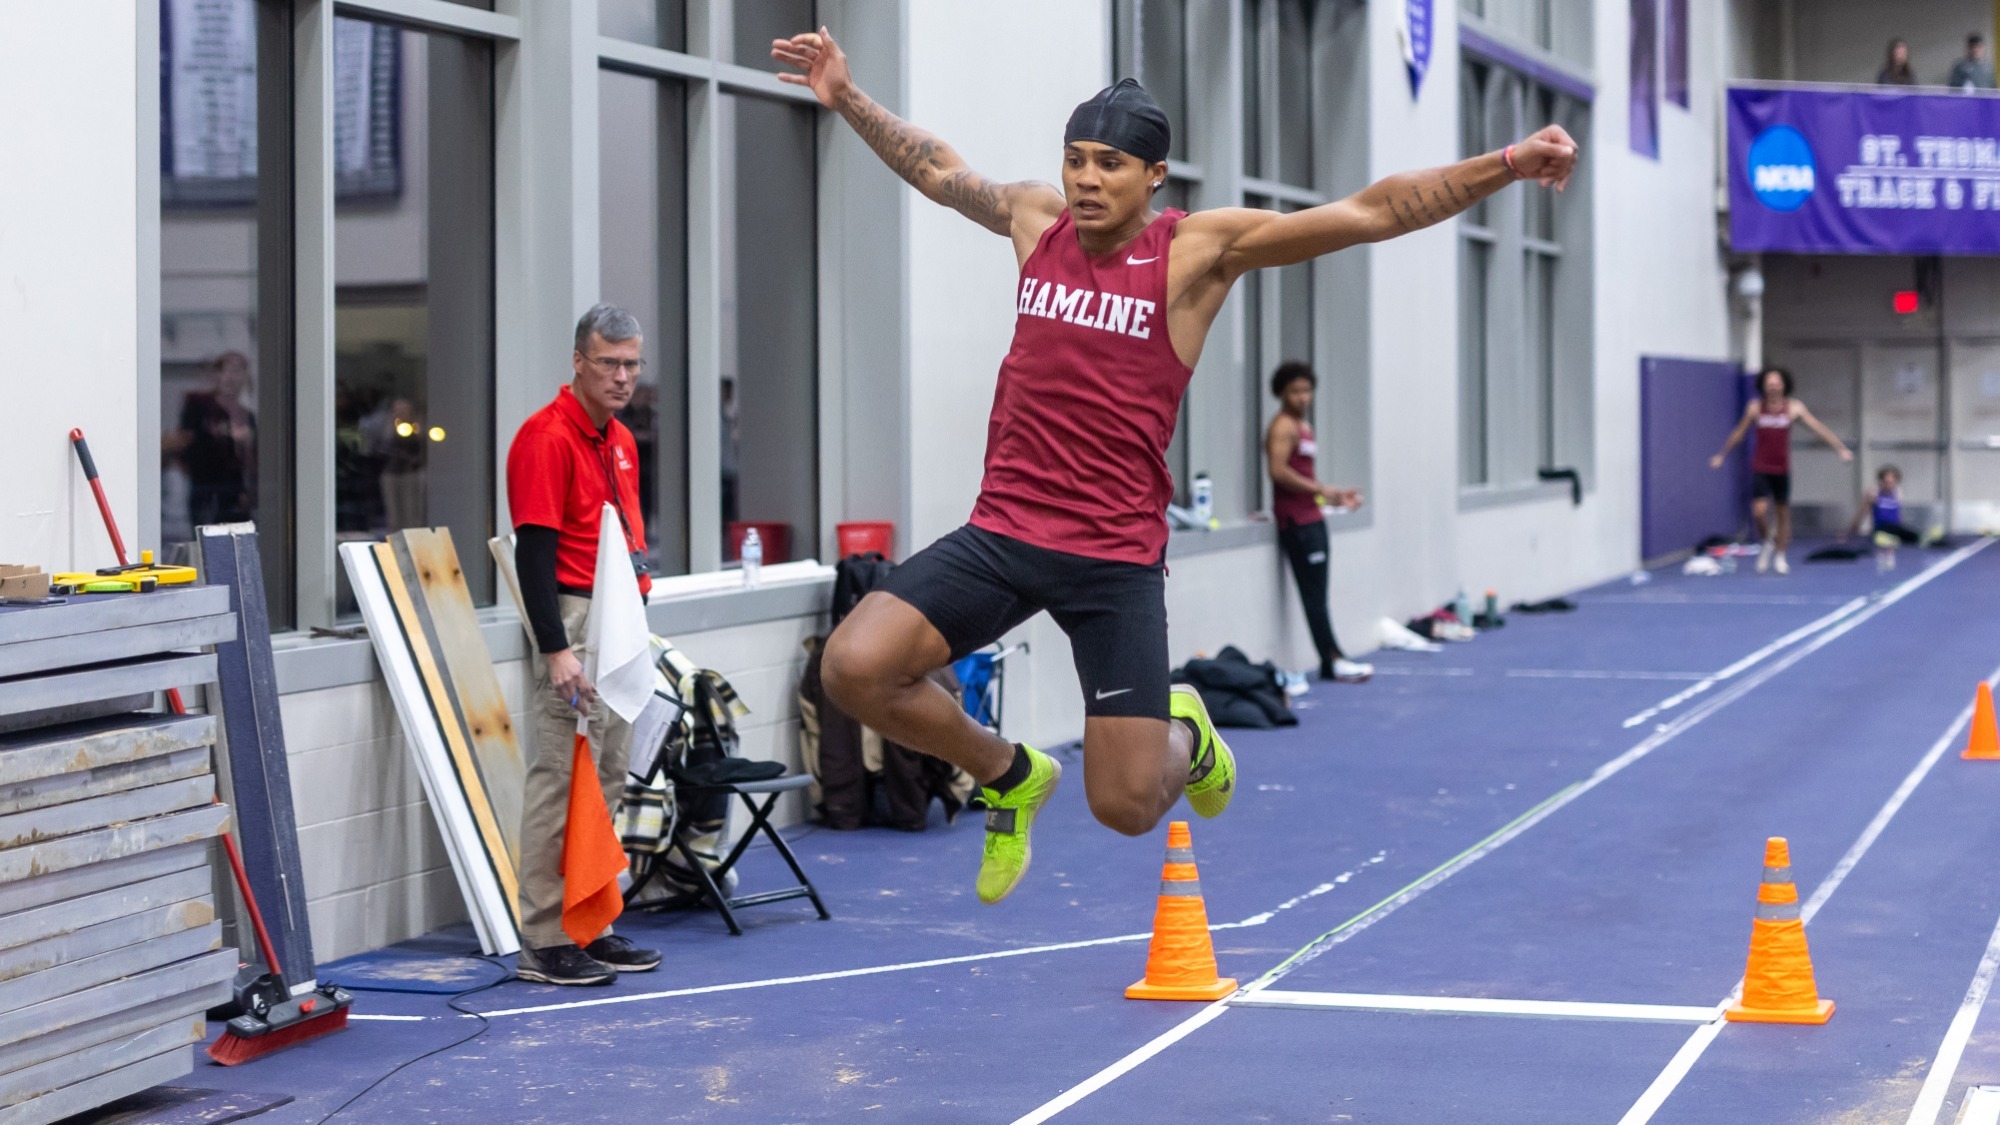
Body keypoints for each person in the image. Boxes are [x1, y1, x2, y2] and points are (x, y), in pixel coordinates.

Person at [772, 27, 1578, 902]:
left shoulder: (1196, 252)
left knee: (1123, 804)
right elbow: (936, 167)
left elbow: (1371, 212)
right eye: (1076, 158)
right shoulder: (1034, 219)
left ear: (1155, 176)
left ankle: (1186, 729)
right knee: (852, 666)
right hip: (1004, 529)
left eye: (1110, 164)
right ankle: (1008, 774)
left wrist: (1507, 160)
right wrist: (846, 95)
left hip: (1113, 558)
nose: (1086, 178)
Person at [504, 304, 662, 986]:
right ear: (578, 361)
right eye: (610, 363)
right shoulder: (546, 438)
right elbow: (533, 554)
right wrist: (555, 649)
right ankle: (543, 937)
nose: (623, 376)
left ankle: (589, 920)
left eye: (632, 364)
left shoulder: (618, 440)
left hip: (618, 617)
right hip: (572, 620)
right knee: (560, 782)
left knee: (608, 780)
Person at [1264, 361, 1371, 684]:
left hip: (1313, 516)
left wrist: (1335, 498)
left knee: (1319, 594)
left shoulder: (1303, 426)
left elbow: (1306, 479)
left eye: (1307, 390)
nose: (1302, 397)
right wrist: (1324, 490)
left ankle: (1331, 658)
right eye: (1295, 391)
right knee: (1314, 596)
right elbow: (1278, 471)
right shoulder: (1282, 426)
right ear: (1282, 392)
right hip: (1297, 522)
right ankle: (1332, 658)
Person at [1709, 367, 1853, 575]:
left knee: (1782, 513)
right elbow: (1739, 433)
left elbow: (1817, 427)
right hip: (1761, 466)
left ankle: (1780, 555)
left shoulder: (1793, 408)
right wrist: (1722, 454)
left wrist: (1840, 448)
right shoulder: (1755, 408)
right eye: (1770, 382)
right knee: (1758, 512)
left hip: (1781, 468)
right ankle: (1768, 540)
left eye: (1778, 382)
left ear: (1784, 385)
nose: (1774, 385)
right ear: (1763, 385)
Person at [165, 350, 257, 529]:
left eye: (237, 371)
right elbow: (186, 443)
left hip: (235, 494)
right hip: (205, 489)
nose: (231, 377)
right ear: (217, 375)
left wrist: (251, 492)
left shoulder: (247, 416)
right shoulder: (199, 406)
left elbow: (253, 458)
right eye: (226, 370)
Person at [1848, 464, 1922, 546]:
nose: (1888, 485)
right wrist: (1852, 532)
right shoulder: (1874, 494)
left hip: (1895, 527)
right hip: (1881, 528)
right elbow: (1862, 513)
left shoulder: (1898, 493)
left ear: (1895, 482)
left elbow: (1898, 514)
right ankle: (1890, 540)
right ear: (1881, 481)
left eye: (1891, 483)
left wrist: (1902, 526)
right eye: (1886, 482)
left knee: (1914, 536)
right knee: (1883, 536)